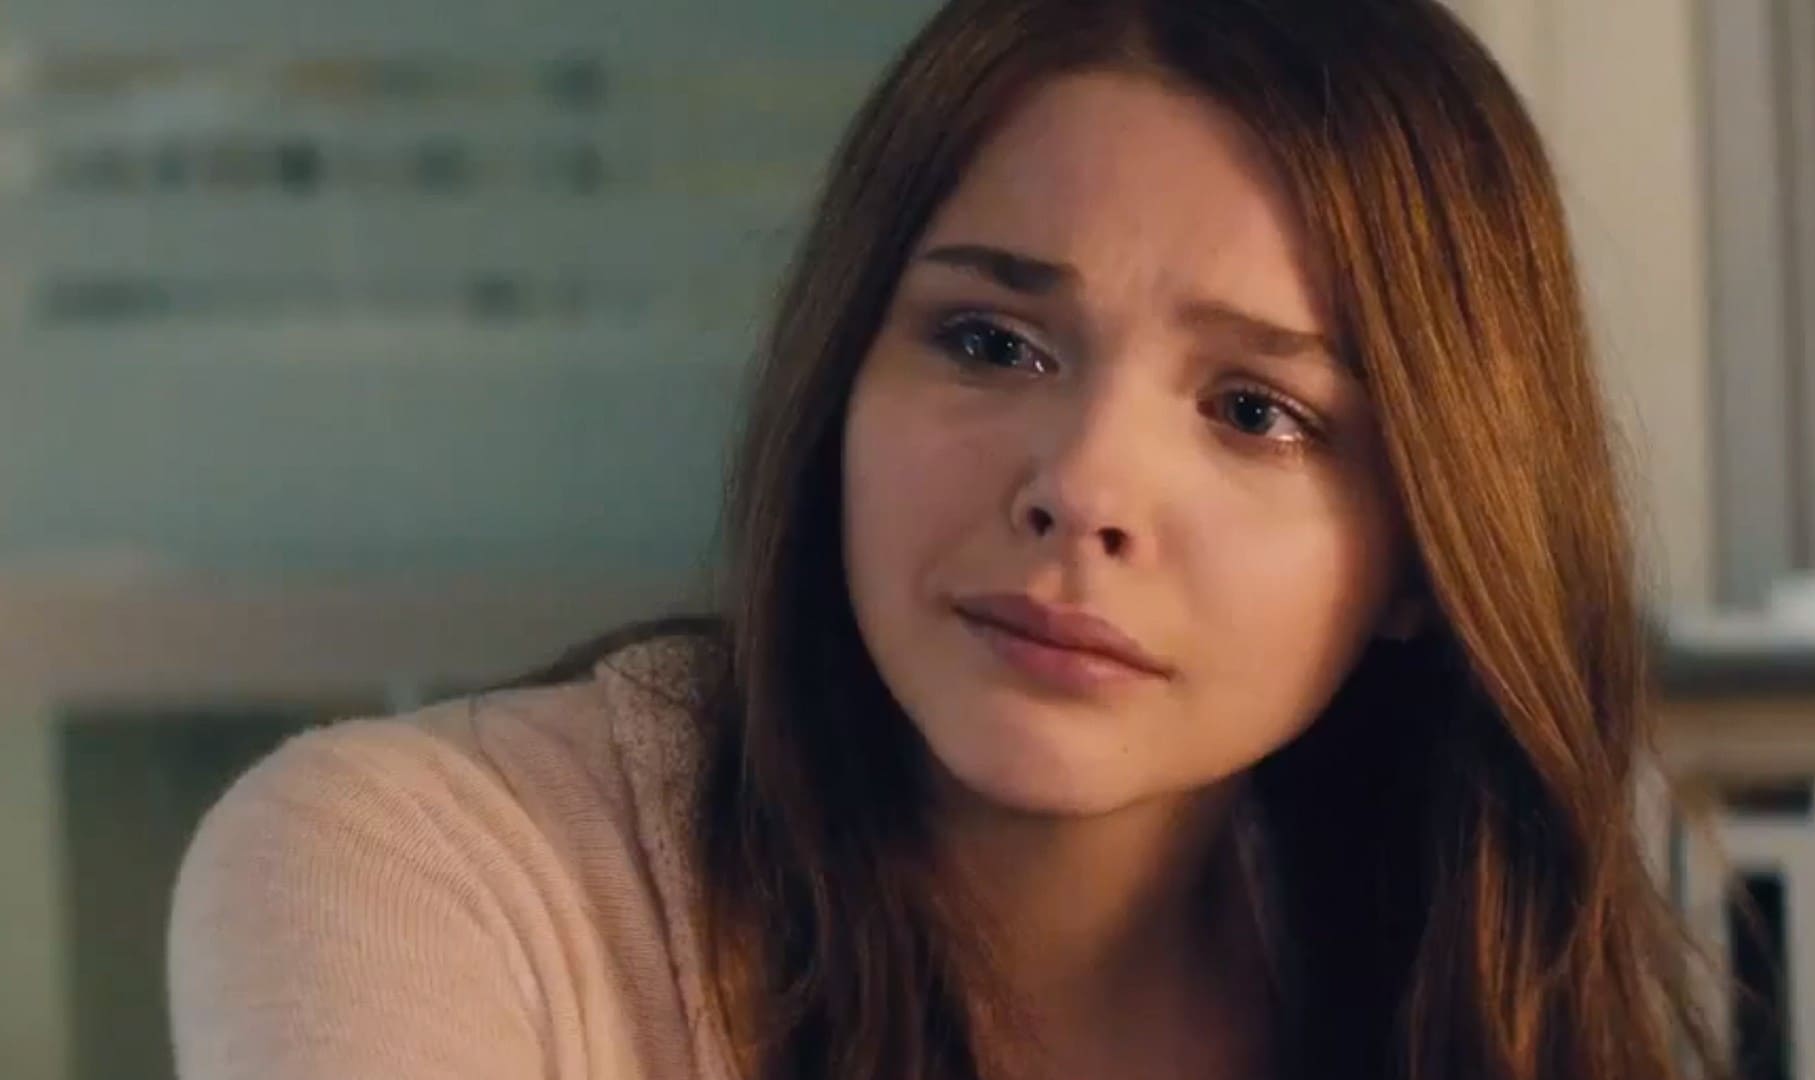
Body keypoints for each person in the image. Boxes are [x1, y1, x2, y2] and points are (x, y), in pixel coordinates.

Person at [167, 1, 1721, 1077]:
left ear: (1425, 554)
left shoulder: (1450, 975)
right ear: (842, 371)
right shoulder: (423, 873)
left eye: (1257, 412)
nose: (1083, 489)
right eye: (990, 344)